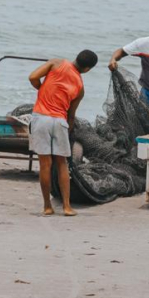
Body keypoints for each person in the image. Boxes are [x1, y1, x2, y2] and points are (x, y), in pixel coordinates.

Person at [28, 50, 98, 216]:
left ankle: (47, 206)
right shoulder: (80, 87)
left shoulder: (56, 63)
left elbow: (32, 77)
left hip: (41, 118)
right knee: (62, 164)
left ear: (76, 57)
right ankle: (66, 207)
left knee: (45, 164)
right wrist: (69, 130)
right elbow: (71, 114)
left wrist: (41, 88)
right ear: (87, 69)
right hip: (60, 122)